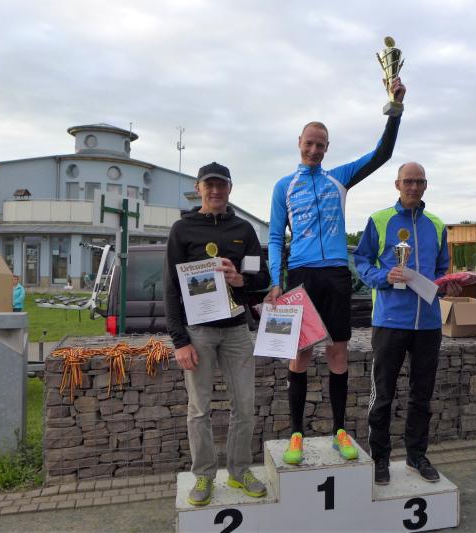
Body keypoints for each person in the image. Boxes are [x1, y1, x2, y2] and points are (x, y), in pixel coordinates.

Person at [265, 78, 406, 465]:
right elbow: (275, 237)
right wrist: (276, 281)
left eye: (321, 145)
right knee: (300, 354)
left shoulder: (339, 177)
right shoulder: (283, 186)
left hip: (336, 275)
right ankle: (296, 434)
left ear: (327, 148)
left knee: (338, 352)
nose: (314, 150)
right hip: (302, 276)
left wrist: (394, 110)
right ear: (299, 142)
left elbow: (381, 154)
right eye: (309, 143)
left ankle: (339, 431)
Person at [163, 162, 271, 506]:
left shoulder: (244, 230)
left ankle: (239, 471)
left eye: (221, 185)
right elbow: (171, 288)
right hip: (198, 333)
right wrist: (180, 341)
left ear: (229, 189)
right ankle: (204, 476)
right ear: (198, 188)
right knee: (199, 409)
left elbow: (262, 277)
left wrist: (241, 279)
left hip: (236, 331)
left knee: (245, 407)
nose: (215, 191)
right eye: (208, 185)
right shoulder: (182, 229)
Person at [353, 162, 462, 484]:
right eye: (408, 181)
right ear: (397, 184)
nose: (414, 187)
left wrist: (448, 285)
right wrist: (383, 277)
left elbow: (441, 270)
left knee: (421, 396)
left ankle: (416, 456)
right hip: (390, 320)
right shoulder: (379, 219)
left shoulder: (437, 225)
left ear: (426, 185)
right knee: (383, 395)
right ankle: (380, 459)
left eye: (419, 182)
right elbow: (361, 261)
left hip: (428, 323)